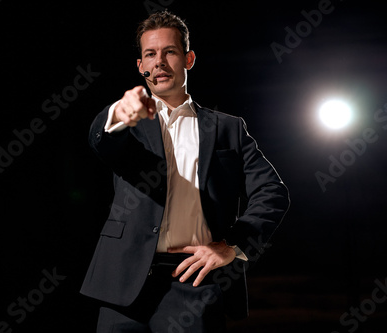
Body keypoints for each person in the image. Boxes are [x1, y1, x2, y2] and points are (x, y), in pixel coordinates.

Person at [81, 11, 290, 332]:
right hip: (123, 283)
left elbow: (272, 192)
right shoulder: (126, 122)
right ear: (141, 67)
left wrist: (233, 246)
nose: (160, 61)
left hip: (193, 284)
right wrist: (118, 113)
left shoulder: (227, 128)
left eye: (170, 52)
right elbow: (103, 143)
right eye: (150, 54)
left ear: (188, 59)